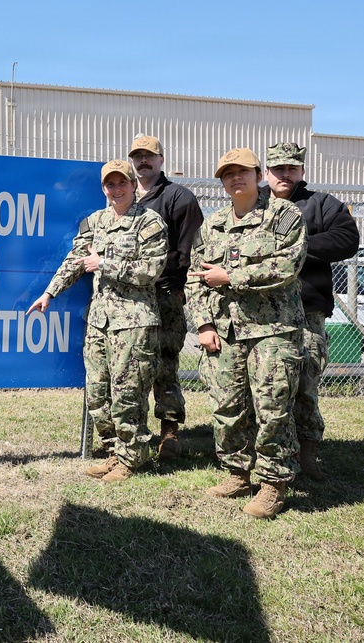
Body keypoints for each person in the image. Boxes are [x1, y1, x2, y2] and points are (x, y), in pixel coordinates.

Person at [28, 160, 167, 482]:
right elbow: (75, 262)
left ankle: (132, 458)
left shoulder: (149, 222)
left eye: (122, 183)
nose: (116, 190)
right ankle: (112, 452)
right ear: (103, 188)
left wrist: (105, 263)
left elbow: (151, 271)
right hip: (100, 321)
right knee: (98, 392)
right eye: (110, 185)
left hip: (134, 323)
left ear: (133, 185)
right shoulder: (95, 222)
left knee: (127, 393)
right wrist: (50, 293)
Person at [187, 148, 307, 519]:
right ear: (222, 181)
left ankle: (273, 484)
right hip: (225, 332)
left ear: (258, 175)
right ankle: (237, 473)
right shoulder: (212, 225)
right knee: (227, 406)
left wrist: (232, 277)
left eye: (243, 171)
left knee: (272, 408)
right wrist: (204, 323)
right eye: (228, 173)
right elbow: (194, 278)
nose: (235, 177)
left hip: (273, 330)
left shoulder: (285, 216)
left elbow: (288, 265)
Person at [264, 142, 359, 481]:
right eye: (278, 168)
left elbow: (347, 239)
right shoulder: (255, 203)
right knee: (268, 387)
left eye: (291, 168)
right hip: (261, 315)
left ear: (301, 171)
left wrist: (298, 246)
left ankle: (307, 453)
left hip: (306, 312)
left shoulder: (321, 204)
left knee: (305, 384)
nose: (284, 174)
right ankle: (268, 455)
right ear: (266, 172)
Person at [128, 135, 203, 460]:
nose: (143, 161)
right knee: (131, 367)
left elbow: (190, 252)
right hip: (128, 300)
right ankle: (132, 432)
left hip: (165, 296)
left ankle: (169, 433)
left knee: (165, 366)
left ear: (161, 160)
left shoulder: (178, 198)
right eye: (138, 156)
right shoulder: (123, 197)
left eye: (149, 156)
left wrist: (178, 288)